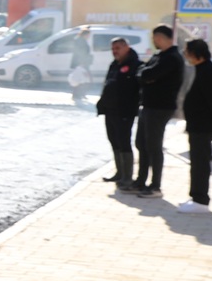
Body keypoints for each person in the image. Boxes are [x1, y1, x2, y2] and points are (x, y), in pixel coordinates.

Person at [178, 38, 212, 213]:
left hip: (203, 125)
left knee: (200, 163)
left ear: (196, 54)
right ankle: (196, 197)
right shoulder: (200, 70)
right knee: (196, 162)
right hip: (197, 125)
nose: (185, 55)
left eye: (187, 51)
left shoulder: (210, 72)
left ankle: (200, 200)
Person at [133, 24, 184, 198]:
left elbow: (148, 74)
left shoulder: (172, 58)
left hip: (160, 107)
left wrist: (146, 76)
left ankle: (155, 186)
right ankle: (141, 181)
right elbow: (142, 72)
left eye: (155, 38)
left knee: (154, 146)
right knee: (141, 143)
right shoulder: (159, 55)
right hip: (148, 105)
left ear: (162, 37)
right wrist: (146, 76)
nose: (154, 41)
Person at [98, 35, 143, 191]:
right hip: (110, 110)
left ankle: (127, 177)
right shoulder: (114, 65)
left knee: (124, 142)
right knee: (113, 140)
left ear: (126, 48)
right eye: (113, 49)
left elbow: (136, 90)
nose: (115, 52)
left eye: (118, 48)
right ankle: (119, 172)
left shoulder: (135, 65)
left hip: (125, 111)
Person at [69, 26, 95, 103]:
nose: (88, 37)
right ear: (85, 34)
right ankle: (78, 94)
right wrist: (81, 63)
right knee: (81, 79)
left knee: (82, 79)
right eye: (88, 35)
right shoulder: (80, 41)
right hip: (81, 63)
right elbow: (80, 53)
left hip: (82, 63)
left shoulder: (80, 40)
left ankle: (80, 94)